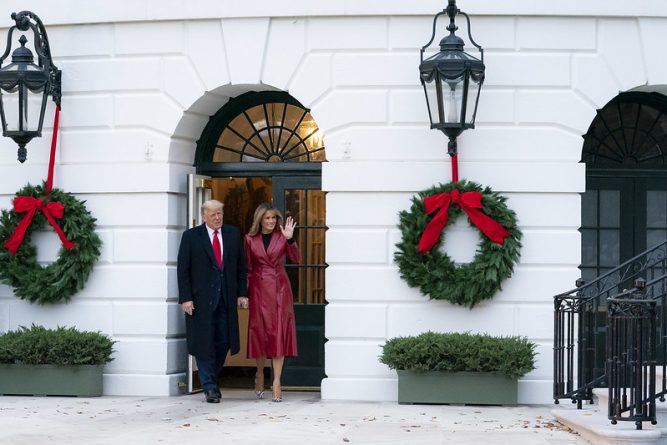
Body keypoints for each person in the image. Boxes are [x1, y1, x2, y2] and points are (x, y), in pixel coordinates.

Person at [177, 200, 248, 403]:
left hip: (226, 298)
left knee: (224, 341)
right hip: (201, 300)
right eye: (213, 214)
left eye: (220, 214)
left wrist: (242, 293)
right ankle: (209, 386)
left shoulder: (233, 234)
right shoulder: (191, 237)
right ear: (204, 216)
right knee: (204, 342)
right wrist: (186, 298)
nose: (218, 218)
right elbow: (183, 270)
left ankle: (211, 379)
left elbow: (240, 267)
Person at [244, 203, 300, 403]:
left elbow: (297, 258)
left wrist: (290, 239)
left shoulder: (282, 236)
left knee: (277, 335)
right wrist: (246, 294)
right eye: (267, 218)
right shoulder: (249, 239)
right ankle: (260, 374)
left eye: (273, 218)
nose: (271, 222)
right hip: (258, 290)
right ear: (260, 219)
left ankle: (276, 381)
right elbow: (248, 268)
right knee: (260, 334)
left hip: (279, 290)